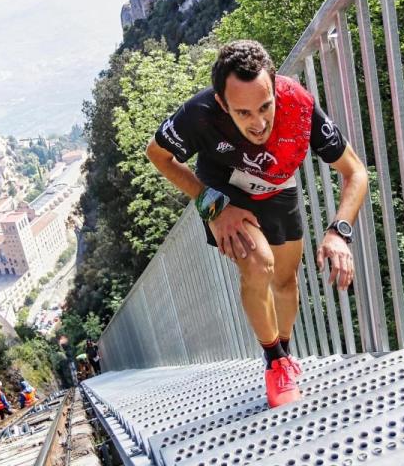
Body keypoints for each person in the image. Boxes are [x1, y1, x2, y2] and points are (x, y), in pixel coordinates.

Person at [146, 40, 367, 408]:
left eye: (265, 107)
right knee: (258, 262)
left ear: (275, 87)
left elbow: (355, 172)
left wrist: (339, 231)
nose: (259, 122)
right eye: (243, 113)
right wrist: (212, 206)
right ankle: (274, 362)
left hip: (277, 183)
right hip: (225, 191)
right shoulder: (198, 114)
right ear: (221, 104)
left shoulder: (299, 105)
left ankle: (286, 352)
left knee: (284, 278)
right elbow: (159, 155)